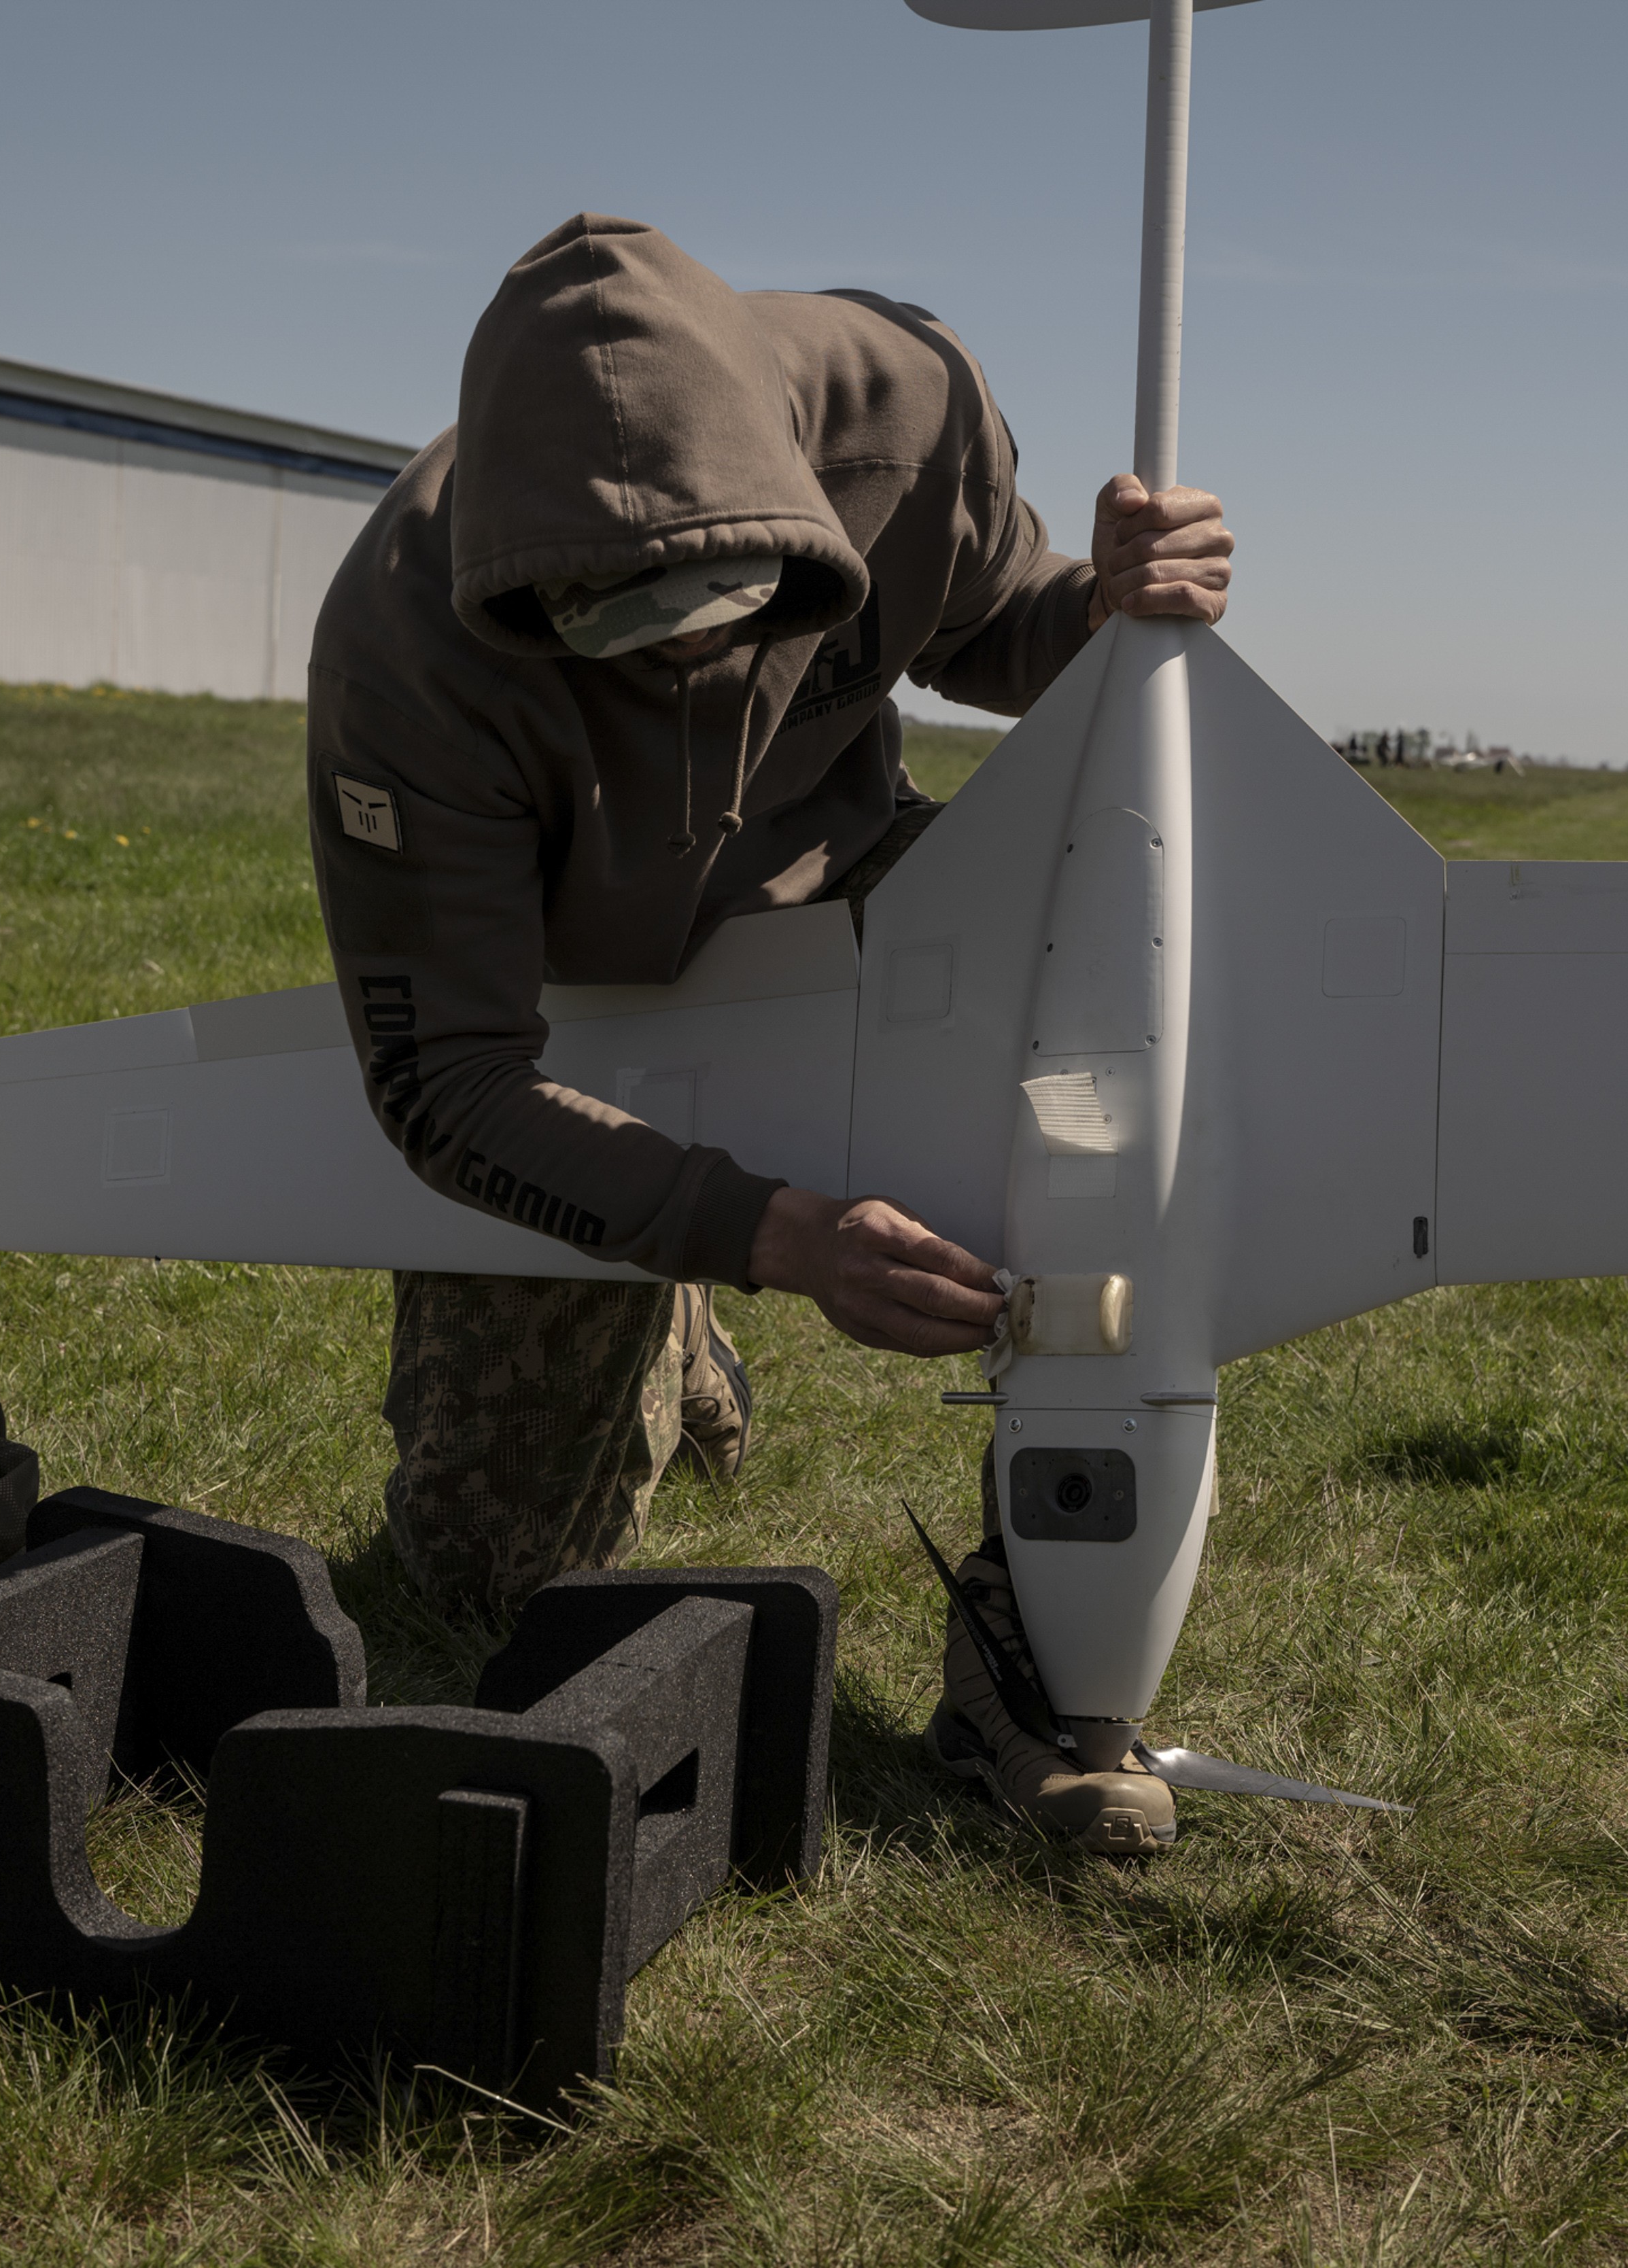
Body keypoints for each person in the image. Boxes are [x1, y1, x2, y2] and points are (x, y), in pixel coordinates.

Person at [307, 214, 1233, 1851]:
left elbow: (996, 625)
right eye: (608, 625)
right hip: (578, 1000)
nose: (681, 658)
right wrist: (774, 1231)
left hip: (844, 886)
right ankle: (672, 1310)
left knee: (1119, 1055)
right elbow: (445, 1082)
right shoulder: (402, 647)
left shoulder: (913, 406)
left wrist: (1103, 612)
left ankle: (1037, 1652)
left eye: (738, 598)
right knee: (484, 1580)